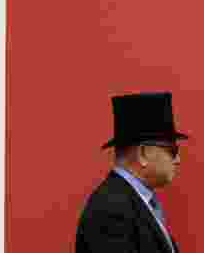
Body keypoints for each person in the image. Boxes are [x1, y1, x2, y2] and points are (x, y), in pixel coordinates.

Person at [75, 92, 189, 253]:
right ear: (143, 154)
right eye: (172, 150)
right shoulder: (111, 210)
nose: (178, 160)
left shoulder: (130, 202)